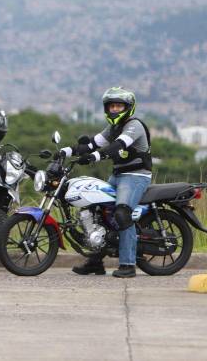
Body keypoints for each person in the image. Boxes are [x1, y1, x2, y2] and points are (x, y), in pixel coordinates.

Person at [60, 87, 152, 278]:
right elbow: (92, 143)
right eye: (112, 106)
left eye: (119, 106)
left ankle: (128, 265)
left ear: (128, 108)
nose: (115, 110)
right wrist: (66, 151)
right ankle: (96, 262)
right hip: (118, 176)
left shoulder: (134, 126)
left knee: (122, 214)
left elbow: (117, 146)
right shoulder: (113, 128)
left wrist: (93, 157)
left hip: (136, 177)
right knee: (99, 212)